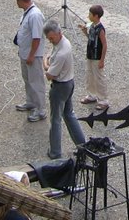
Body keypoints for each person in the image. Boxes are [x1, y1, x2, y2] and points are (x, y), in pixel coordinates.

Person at [43, 20, 88, 159]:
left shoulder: (62, 52)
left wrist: (45, 63)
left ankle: (55, 152)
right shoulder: (64, 42)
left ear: (59, 33)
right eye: (49, 38)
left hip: (60, 86)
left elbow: (50, 75)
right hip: (69, 82)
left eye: (52, 38)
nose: (50, 41)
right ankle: (82, 146)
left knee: (55, 119)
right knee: (69, 114)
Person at [14, 0, 48, 122]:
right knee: (27, 79)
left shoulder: (35, 15)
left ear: (21, 0)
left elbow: (36, 38)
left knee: (36, 82)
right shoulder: (28, 13)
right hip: (25, 53)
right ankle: (31, 102)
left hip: (32, 55)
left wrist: (31, 55)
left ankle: (40, 109)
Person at [79, 5, 109, 110]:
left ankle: (103, 99)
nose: (88, 16)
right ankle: (92, 94)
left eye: (90, 14)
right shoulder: (92, 26)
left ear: (96, 16)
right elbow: (91, 38)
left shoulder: (100, 29)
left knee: (99, 77)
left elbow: (104, 44)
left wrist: (102, 60)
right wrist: (84, 32)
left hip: (97, 57)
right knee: (90, 75)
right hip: (90, 55)